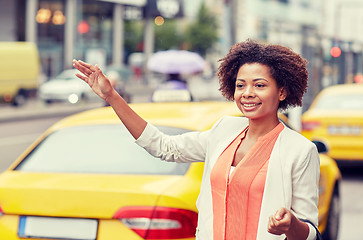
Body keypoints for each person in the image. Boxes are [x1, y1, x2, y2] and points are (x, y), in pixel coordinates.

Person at [73, 39, 320, 240]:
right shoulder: (224, 129)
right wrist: (112, 96)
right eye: (240, 85)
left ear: (282, 91)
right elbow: (163, 146)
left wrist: (290, 225)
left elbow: (310, 232)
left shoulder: (300, 150)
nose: (247, 93)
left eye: (260, 85)